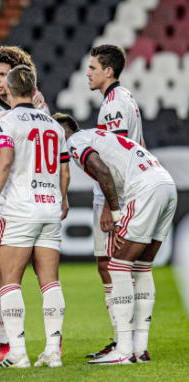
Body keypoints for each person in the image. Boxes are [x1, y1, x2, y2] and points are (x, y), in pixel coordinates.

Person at [56, 113, 176, 365]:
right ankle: (139, 348)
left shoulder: (75, 141)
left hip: (144, 189)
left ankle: (122, 349)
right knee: (142, 268)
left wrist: (115, 211)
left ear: (61, 133)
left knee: (117, 266)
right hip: (166, 184)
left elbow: (101, 169)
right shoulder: (98, 135)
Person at [0, 65, 70, 368]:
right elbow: (63, 168)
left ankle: (17, 352)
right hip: (50, 208)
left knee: (9, 281)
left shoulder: (7, 122)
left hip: (20, 208)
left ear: (7, 90)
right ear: (34, 90)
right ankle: (53, 351)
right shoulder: (54, 126)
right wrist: (63, 197)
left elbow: (4, 163)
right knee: (50, 282)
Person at [0, 45, 49, 360]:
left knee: (42, 273)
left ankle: (50, 342)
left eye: (3, 74)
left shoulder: (38, 111)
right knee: (1, 273)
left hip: (30, 201)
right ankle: (7, 342)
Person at [85, 44, 145, 359]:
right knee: (112, 267)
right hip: (123, 194)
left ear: (109, 71)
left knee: (113, 267)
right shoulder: (121, 100)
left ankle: (126, 344)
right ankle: (130, 342)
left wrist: (111, 206)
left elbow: (116, 158)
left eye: (93, 67)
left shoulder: (114, 106)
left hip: (116, 197)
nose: (88, 73)